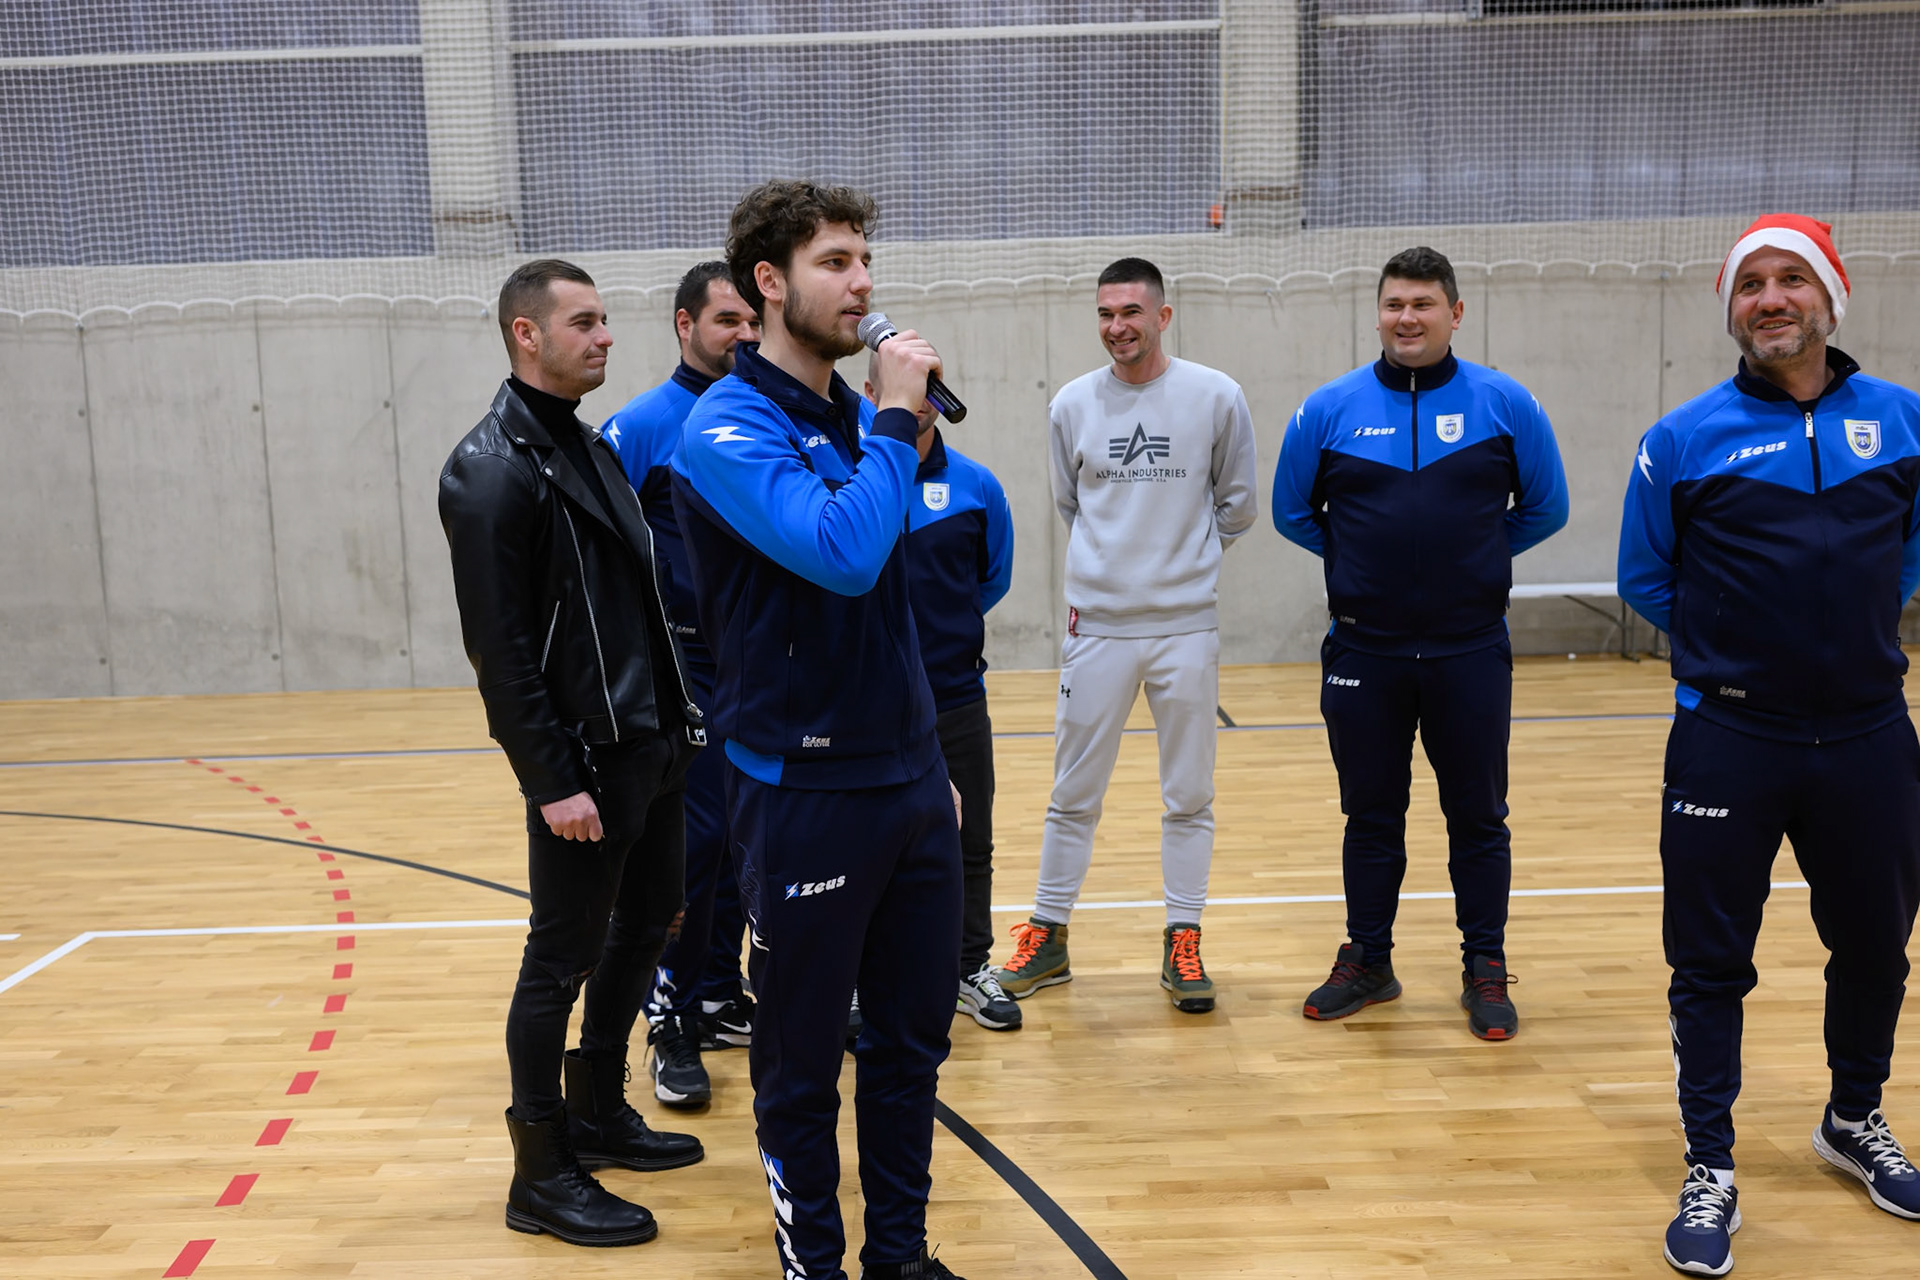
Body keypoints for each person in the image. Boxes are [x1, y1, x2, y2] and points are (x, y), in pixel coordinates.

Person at [670, 179, 966, 1280]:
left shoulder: (850, 414)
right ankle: (818, 1269)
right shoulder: (726, 426)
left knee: (909, 1045)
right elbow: (840, 555)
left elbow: (891, 599)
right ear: (769, 282)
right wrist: (896, 424)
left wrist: (929, 760)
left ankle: (901, 1257)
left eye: (863, 259)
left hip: (907, 781)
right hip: (801, 791)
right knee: (801, 1066)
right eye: (835, 261)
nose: (862, 281)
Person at [1618, 214, 1920, 1277]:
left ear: (1830, 297)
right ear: (1733, 311)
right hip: (1729, 738)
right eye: (1751, 285)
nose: (1772, 299)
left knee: (1877, 946)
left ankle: (1853, 1118)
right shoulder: (1683, 438)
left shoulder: (1902, 421)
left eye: (1793, 278)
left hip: (1870, 734)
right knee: (1709, 963)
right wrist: (1735, 652)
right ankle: (1710, 1164)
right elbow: (1646, 577)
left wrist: (1852, 638)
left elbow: (1909, 553)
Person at [438, 259, 705, 1247]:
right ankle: (541, 1171)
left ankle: (597, 1107)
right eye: (584, 322)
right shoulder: (487, 470)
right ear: (527, 333)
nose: (604, 337)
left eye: (603, 320)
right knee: (558, 959)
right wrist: (552, 780)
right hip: (584, 761)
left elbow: (637, 606)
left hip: (651, 746)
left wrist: (677, 729)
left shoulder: (589, 446)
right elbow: (500, 652)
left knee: (649, 924)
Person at [1273, 246, 1568, 1042]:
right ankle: (1369, 960)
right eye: (1395, 304)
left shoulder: (1505, 403)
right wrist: (1360, 563)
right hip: (1364, 652)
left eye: (1424, 304)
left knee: (1479, 818)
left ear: (1455, 314)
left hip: (1469, 650)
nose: (1407, 318)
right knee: (1371, 815)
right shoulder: (1328, 409)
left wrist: (1475, 558)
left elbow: (1545, 508)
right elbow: (1292, 513)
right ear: (1378, 314)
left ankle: (1485, 967)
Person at [995, 256, 1258, 1014]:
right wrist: (1120, 569)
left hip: (1186, 628)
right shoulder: (1072, 404)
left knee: (1189, 795)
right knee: (1072, 793)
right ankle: (1049, 937)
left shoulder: (1216, 395)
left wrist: (1183, 562)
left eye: (1131, 312)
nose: (1117, 327)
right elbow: (1071, 504)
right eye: (1106, 314)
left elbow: (1238, 503)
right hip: (1098, 630)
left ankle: (1184, 938)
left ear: (1162, 316)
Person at [603, 261, 761, 1108]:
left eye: (752, 321)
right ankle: (668, 1019)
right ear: (684, 325)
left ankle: (718, 995)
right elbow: (601, 562)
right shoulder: (640, 427)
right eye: (727, 320)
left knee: (746, 845)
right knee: (691, 855)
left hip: (760, 674)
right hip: (686, 679)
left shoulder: (763, 416)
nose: (744, 334)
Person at [862, 356, 1019, 1032]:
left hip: (956, 698)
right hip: (866, 710)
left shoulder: (977, 486)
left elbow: (991, 580)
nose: (919, 395)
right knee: (864, 848)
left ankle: (967, 966)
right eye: (903, 381)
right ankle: (862, 979)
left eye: (931, 382)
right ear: (871, 392)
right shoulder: (854, 480)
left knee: (969, 841)